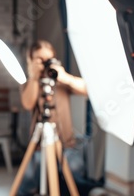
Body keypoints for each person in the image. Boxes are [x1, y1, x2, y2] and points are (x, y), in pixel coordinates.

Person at [18, 40, 88, 195]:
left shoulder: (61, 80)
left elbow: (88, 90)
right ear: (31, 60)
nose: (45, 64)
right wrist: (34, 78)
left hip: (67, 145)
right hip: (38, 147)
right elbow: (28, 103)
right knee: (25, 188)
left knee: (74, 187)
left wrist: (64, 77)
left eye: (48, 60)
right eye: (40, 60)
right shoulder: (29, 82)